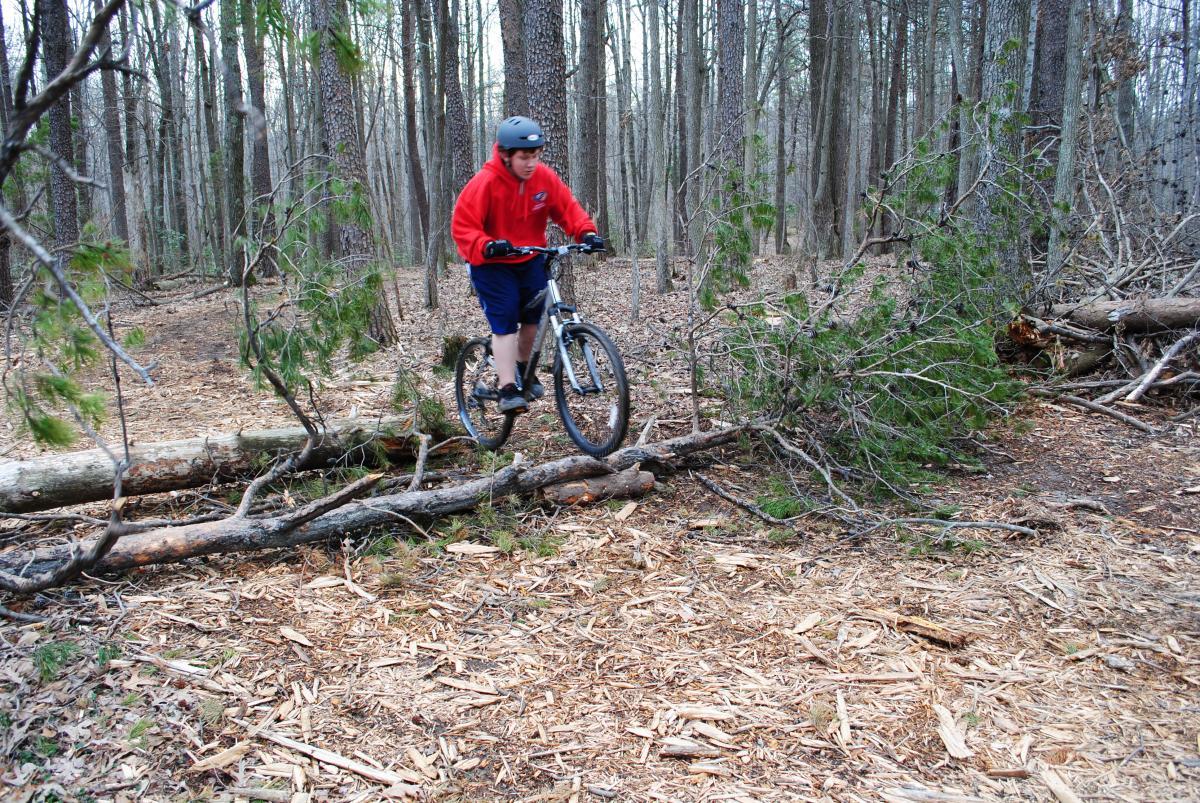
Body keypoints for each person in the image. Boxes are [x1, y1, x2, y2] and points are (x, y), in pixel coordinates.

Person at [452, 116, 605, 413]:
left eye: (536, 156)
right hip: (491, 263)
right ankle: (508, 387)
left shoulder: (543, 178)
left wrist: (586, 233)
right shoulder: (485, 183)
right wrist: (486, 244)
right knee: (506, 319)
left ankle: (522, 372)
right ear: (507, 156)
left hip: (530, 257)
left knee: (535, 320)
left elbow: (567, 208)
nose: (531, 163)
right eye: (524, 157)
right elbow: (462, 226)